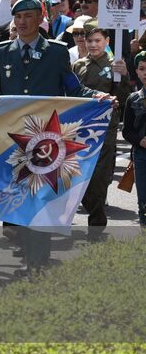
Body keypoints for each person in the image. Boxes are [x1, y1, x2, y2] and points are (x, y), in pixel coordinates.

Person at [0, 0, 110, 275]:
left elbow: (74, 89)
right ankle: (31, 257)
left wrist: (97, 95)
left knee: (40, 200)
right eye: (18, 18)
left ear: (40, 19)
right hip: (13, 140)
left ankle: (37, 262)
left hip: (46, 142)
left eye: (28, 17)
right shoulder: (2, 52)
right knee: (21, 201)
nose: (22, 22)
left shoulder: (57, 52)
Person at [71, 20, 131, 237]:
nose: (93, 45)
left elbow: (123, 98)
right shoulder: (78, 66)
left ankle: (96, 223)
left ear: (107, 41)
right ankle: (92, 209)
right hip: (80, 127)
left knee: (100, 175)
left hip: (105, 128)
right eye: (89, 40)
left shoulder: (114, 66)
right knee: (78, 174)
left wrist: (124, 76)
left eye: (98, 40)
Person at [121, 53, 146, 226]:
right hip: (141, 154)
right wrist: (139, 141)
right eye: (142, 69)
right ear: (136, 71)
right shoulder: (133, 99)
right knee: (143, 197)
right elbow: (126, 131)